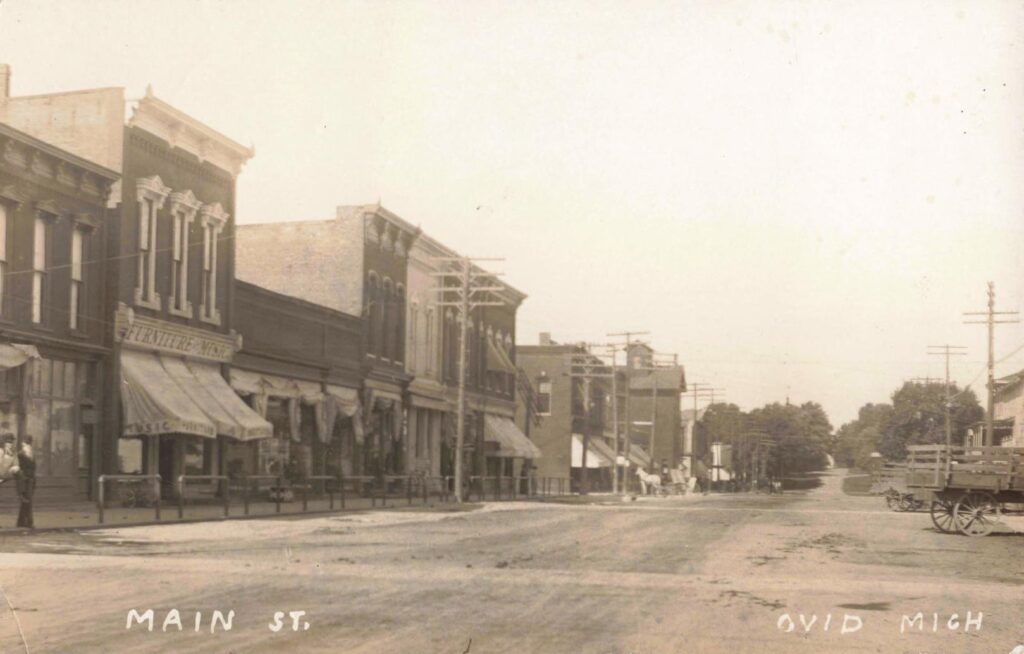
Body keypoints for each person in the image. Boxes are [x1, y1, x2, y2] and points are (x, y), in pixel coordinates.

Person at [15, 436, 35, 529]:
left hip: (30, 480)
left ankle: (21, 522)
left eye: (28, 443)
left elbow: (33, 468)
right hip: (24, 480)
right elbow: (18, 468)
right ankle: (29, 522)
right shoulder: (20, 455)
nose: (26, 445)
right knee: (27, 501)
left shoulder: (32, 454)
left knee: (26, 501)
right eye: (25, 443)